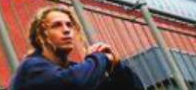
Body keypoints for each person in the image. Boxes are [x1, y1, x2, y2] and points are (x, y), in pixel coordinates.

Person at [9, 6, 144, 90]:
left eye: (69, 25)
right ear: (41, 36)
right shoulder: (31, 68)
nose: (66, 30)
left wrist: (116, 66)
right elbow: (73, 83)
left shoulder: (76, 72)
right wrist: (101, 58)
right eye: (56, 25)